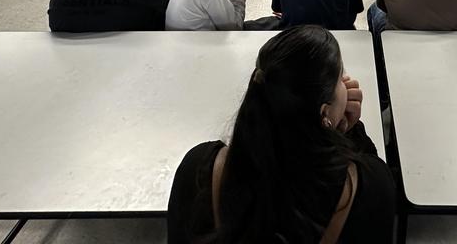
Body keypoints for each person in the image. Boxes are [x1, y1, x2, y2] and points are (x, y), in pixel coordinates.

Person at [167, 25, 395, 242]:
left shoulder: (197, 170)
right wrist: (350, 134)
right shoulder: (369, 187)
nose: (347, 82)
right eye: (340, 78)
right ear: (324, 113)